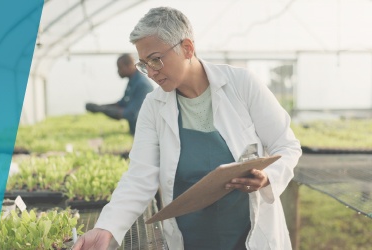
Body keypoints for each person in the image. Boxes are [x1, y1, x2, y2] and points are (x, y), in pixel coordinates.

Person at [74, 6, 302, 250]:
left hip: (247, 235)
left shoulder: (241, 85)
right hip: (191, 238)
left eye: (155, 59)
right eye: (144, 64)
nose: (151, 72)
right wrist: (106, 227)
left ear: (187, 48)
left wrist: (269, 177)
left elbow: (286, 144)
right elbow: (140, 176)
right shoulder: (154, 106)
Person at [85, 53, 154, 135]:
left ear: (129, 66)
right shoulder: (133, 82)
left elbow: (130, 114)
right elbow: (122, 104)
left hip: (146, 135)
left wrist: (101, 109)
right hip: (137, 133)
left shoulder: (142, 85)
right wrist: (99, 107)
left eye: (120, 68)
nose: (118, 71)